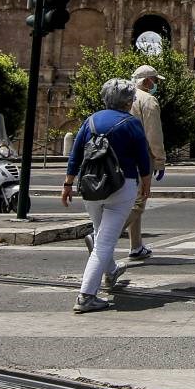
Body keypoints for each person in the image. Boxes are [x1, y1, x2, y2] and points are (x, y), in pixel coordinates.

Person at [62, 78, 151, 314]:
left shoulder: (90, 120)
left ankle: (111, 271)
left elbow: (75, 155)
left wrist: (67, 184)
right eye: (132, 98)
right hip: (121, 188)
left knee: (101, 235)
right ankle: (86, 296)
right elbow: (143, 159)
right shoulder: (131, 123)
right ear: (128, 101)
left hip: (90, 188)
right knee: (104, 244)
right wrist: (146, 184)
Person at [124, 64, 166, 260]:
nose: (156, 84)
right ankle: (102, 237)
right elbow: (153, 134)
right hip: (141, 156)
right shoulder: (148, 100)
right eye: (155, 80)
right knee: (139, 202)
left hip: (121, 154)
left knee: (131, 200)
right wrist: (159, 160)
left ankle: (136, 246)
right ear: (147, 81)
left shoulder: (125, 97)